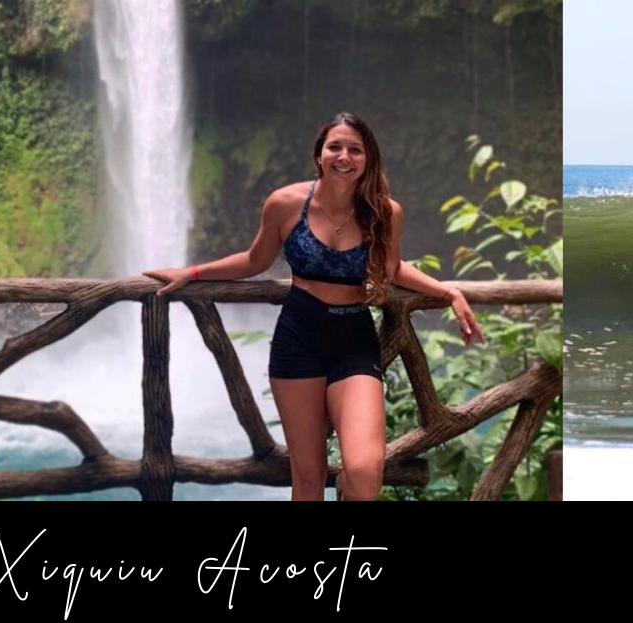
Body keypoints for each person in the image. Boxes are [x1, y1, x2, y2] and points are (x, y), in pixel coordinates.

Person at [144, 112, 483, 501]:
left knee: (364, 469)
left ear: (368, 158)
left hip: (354, 341)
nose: (344, 156)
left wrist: (449, 293)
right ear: (319, 154)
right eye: (334, 147)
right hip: (298, 339)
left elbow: (392, 269)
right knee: (307, 479)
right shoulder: (286, 204)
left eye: (355, 149)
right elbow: (255, 260)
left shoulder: (385, 212)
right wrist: (194, 271)